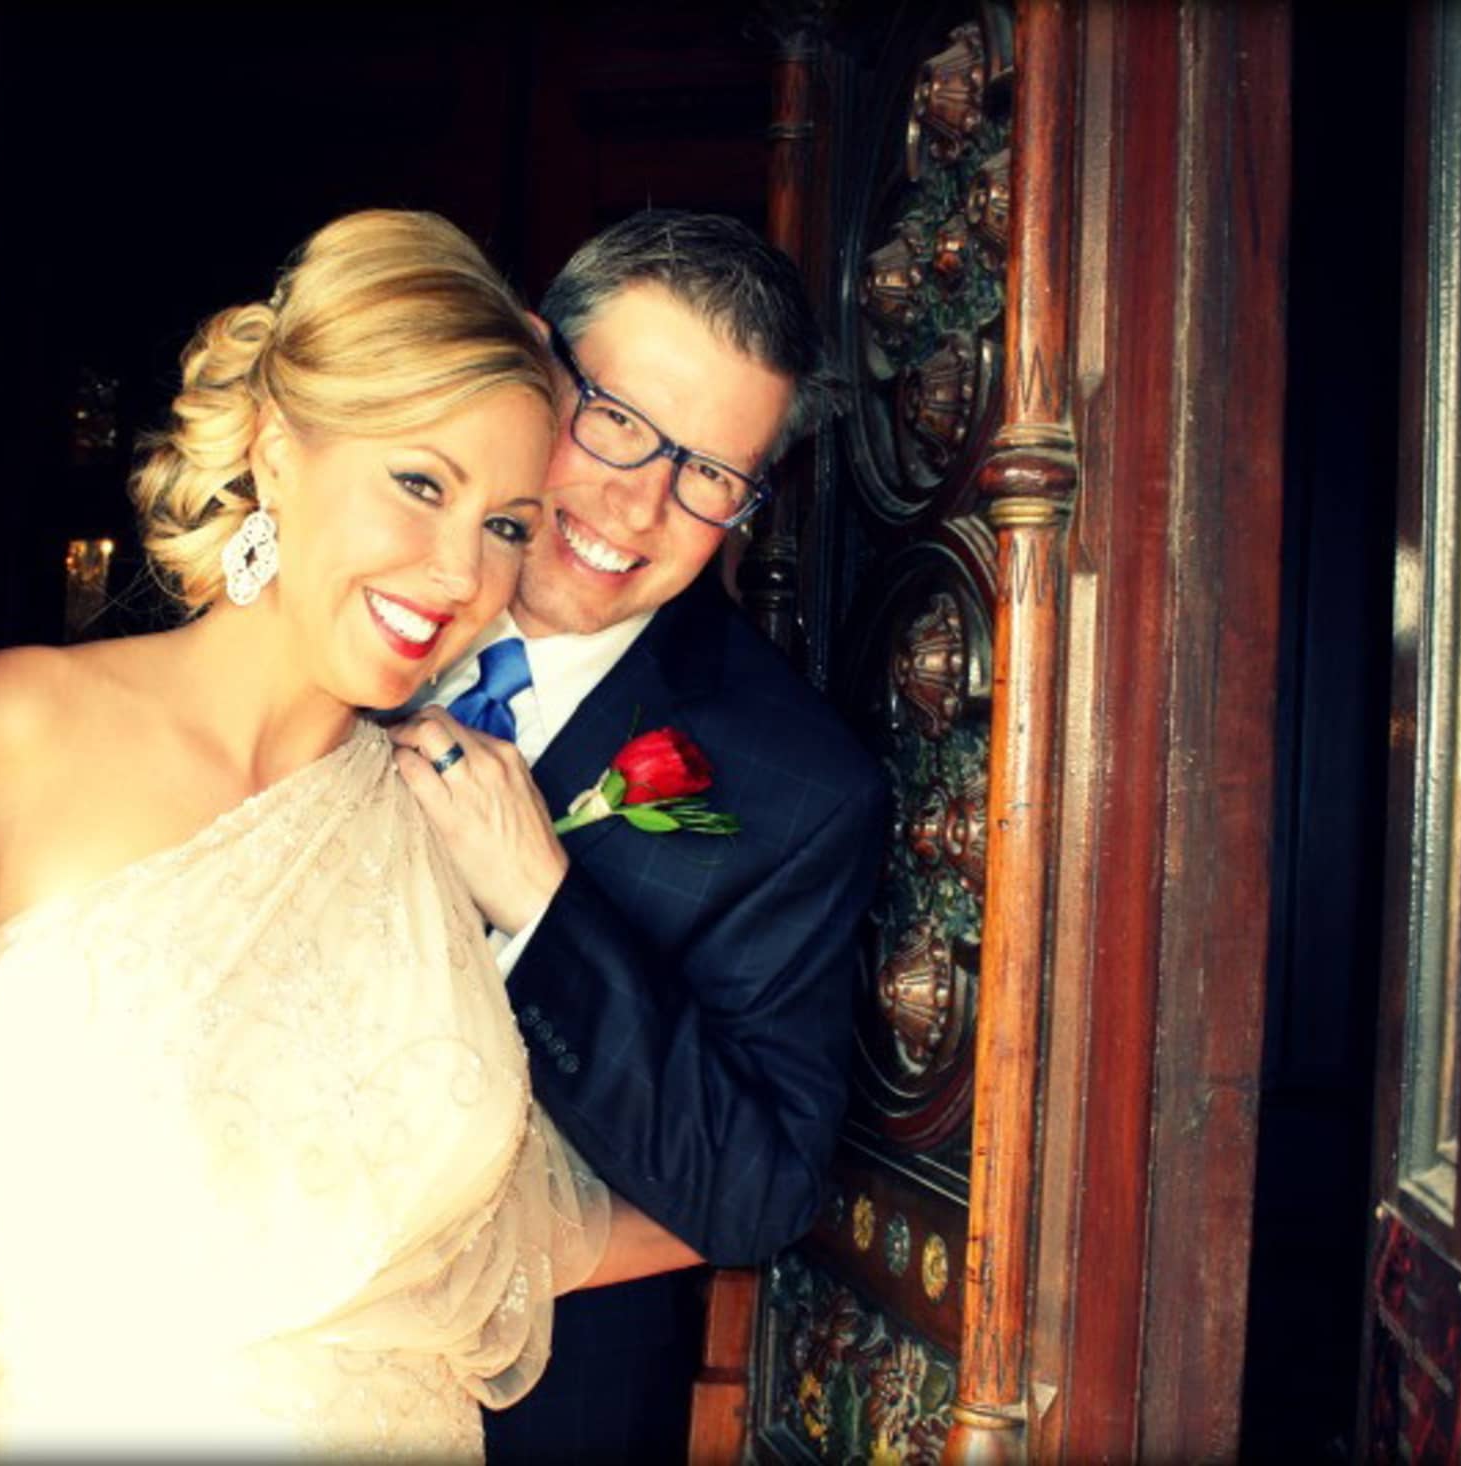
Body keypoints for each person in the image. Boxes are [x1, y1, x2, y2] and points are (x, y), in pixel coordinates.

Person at [0, 210, 692, 1461]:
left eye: (507, 523)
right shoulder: (4, 736)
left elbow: (517, 1224)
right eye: (420, 483)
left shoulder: (439, 824)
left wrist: (781, 1183)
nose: (460, 572)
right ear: (279, 450)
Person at [387, 210, 886, 1464]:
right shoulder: (342, 578)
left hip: (520, 1416)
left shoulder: (799, 787)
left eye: (710, 474)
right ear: (532, 362)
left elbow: (758, 1188)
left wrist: (542, 909)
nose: (639, 503)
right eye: (614, 417)